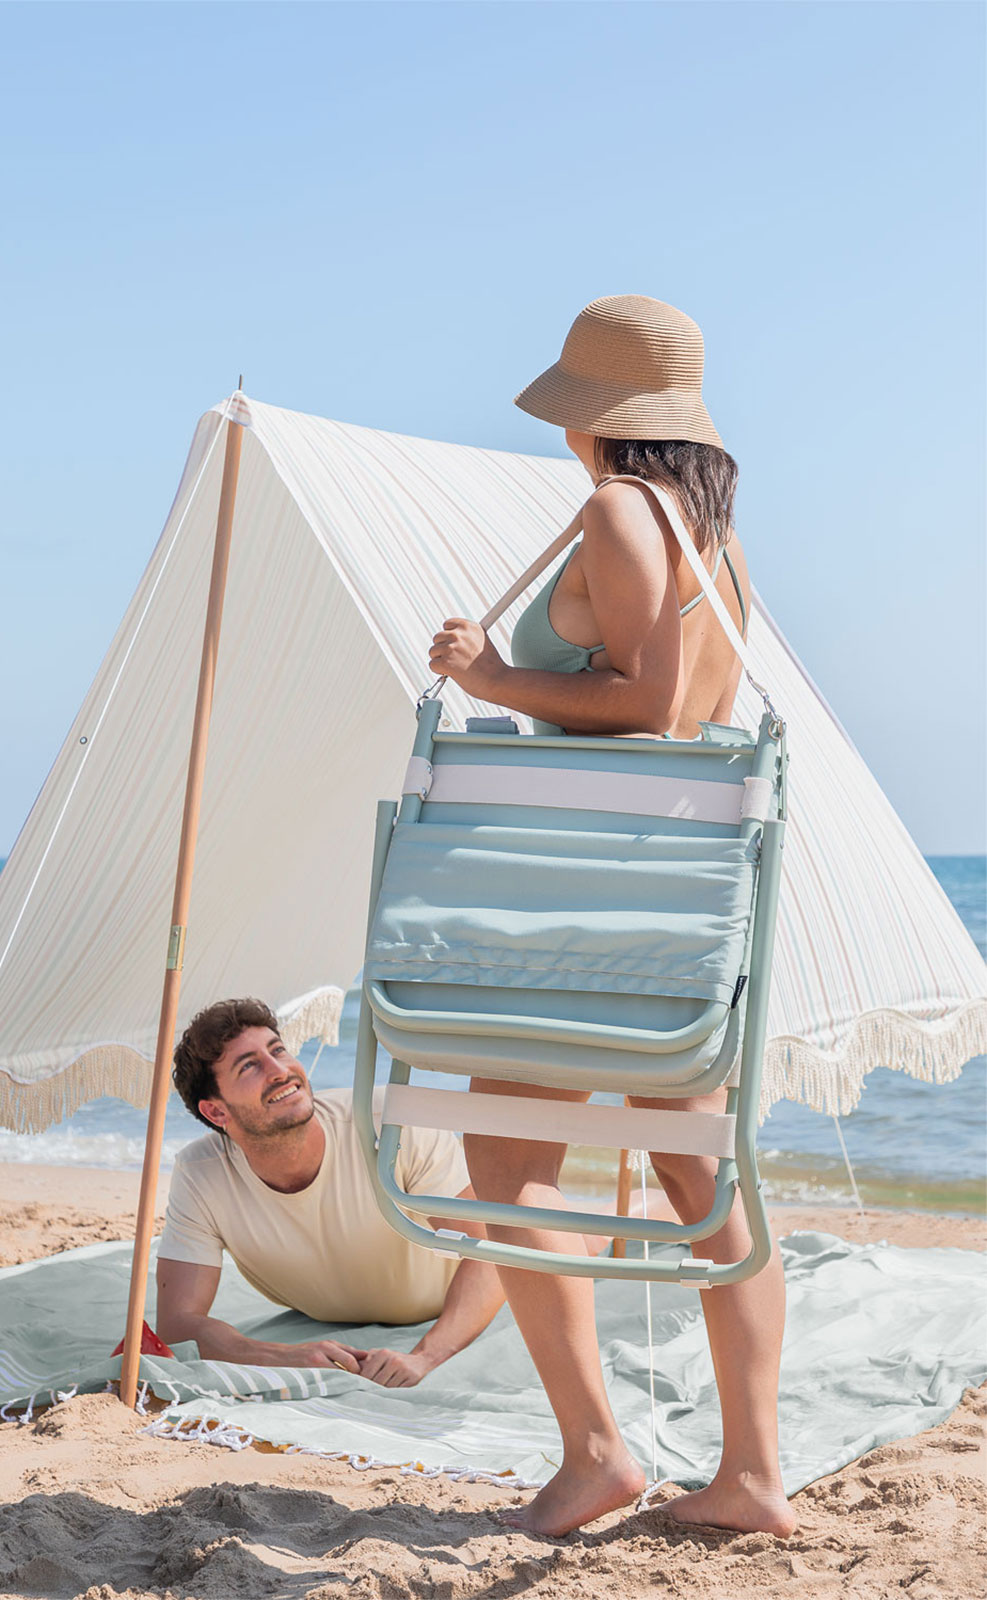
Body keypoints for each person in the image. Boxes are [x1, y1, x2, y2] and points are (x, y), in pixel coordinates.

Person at [427, 295, 794, 1539]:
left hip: (577, 894)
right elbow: (684, 711)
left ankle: (594, 1454)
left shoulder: (617, 509)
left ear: (598, 421)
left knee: (506, 1159)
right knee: (706, 1186)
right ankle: (749, 1475)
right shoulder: (715, 542)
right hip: (672, 903)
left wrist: (487, 677)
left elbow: (637, 703)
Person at [156, 996, 504, 1386]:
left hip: (450, 1302)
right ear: (217, 1112)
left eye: (279, 1050)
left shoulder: (387, 1124)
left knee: (563, 1244)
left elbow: (491, 1252)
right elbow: (178, 1323)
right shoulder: (201, 1174)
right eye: (250, 1066)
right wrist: (282, 1356)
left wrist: (426, 1356)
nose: (281, 1071)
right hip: (325, 1318)